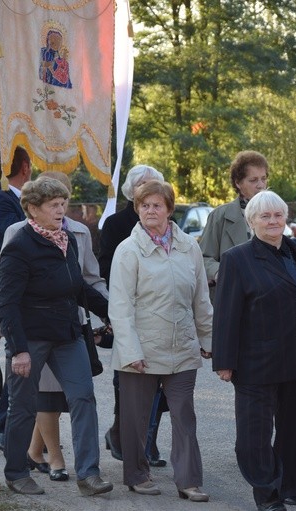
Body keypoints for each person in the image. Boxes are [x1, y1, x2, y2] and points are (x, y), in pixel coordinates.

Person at [212, 190, 296, 511]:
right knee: (252, 439)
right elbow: (226, 314)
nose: (273, 221)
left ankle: (292, 487)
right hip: (254, 363)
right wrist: (224, 362)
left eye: (277, 215)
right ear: (251, 221)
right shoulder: (237, 259)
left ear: (285, 218)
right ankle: (268, 493)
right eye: (265, 216)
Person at [0, 172, 108, 483]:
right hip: (31, 339)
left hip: (68, 334)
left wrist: (113, 313)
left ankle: (88, 474)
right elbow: (8, 304)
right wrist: (19, 350)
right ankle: (16, 474)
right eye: (54, 204)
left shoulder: (66, 240)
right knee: (23, 408)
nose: (60, 210)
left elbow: (78, 287)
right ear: (33, 209)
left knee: (83, 397)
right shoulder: (19, 245)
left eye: (63, 203)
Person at [109, 180, 212, 502]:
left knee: (184, 416)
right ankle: (137, 474)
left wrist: (208, 338)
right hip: (141, 350)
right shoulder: (128, 250)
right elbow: (120, 307)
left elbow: (201, 299)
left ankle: (189, 481)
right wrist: (130, 351)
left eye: (156, 205)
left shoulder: (189, 247)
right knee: (136, 419)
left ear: (169, 209)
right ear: (137, 209)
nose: (150, 211)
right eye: (144, 205)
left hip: (181, 347)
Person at [97, 164, 165, 463]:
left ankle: (147, 441)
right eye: (147, 185)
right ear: (133, 191)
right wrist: (111, 311)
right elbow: (105, 269)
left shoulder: (166, 222)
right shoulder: (115, 224)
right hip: (128, 310)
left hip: (162, 313)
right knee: (127, 379)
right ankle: (123, 434)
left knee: (161, 380)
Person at [0, 147, 32, 453]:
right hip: (14, 287)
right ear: (25, 167)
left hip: (34, 288)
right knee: (19, 360)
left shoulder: (20, 200)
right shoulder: (0, 200)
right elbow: (12, 238)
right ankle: (2, 427)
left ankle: (35, 434)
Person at [199, 150, 268, 293]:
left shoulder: (275, 214)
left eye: (263, 178)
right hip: (231, 296)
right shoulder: (219, 216)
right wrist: (223, 273)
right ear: (238, 183)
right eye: (253, 180)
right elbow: (203, 259)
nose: (261, 185)